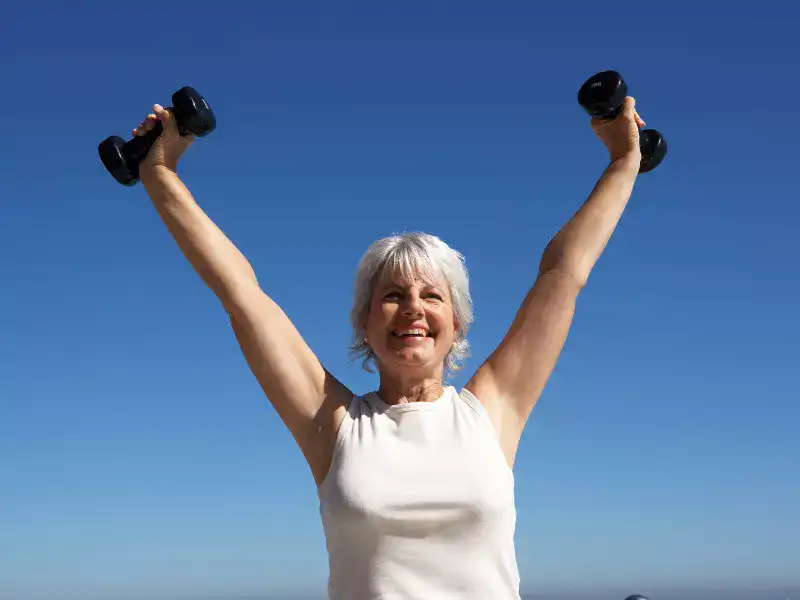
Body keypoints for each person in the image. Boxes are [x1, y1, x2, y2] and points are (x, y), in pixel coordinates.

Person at [132, 94, 648, 600]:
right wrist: (160, 176)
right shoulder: (333, 424)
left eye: (432, 296)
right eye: (393, 296)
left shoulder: (492, 411)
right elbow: (241, 294)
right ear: (363, 323)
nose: (413, 310)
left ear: (458, 323)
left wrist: (624, 162)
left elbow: (563, 273)